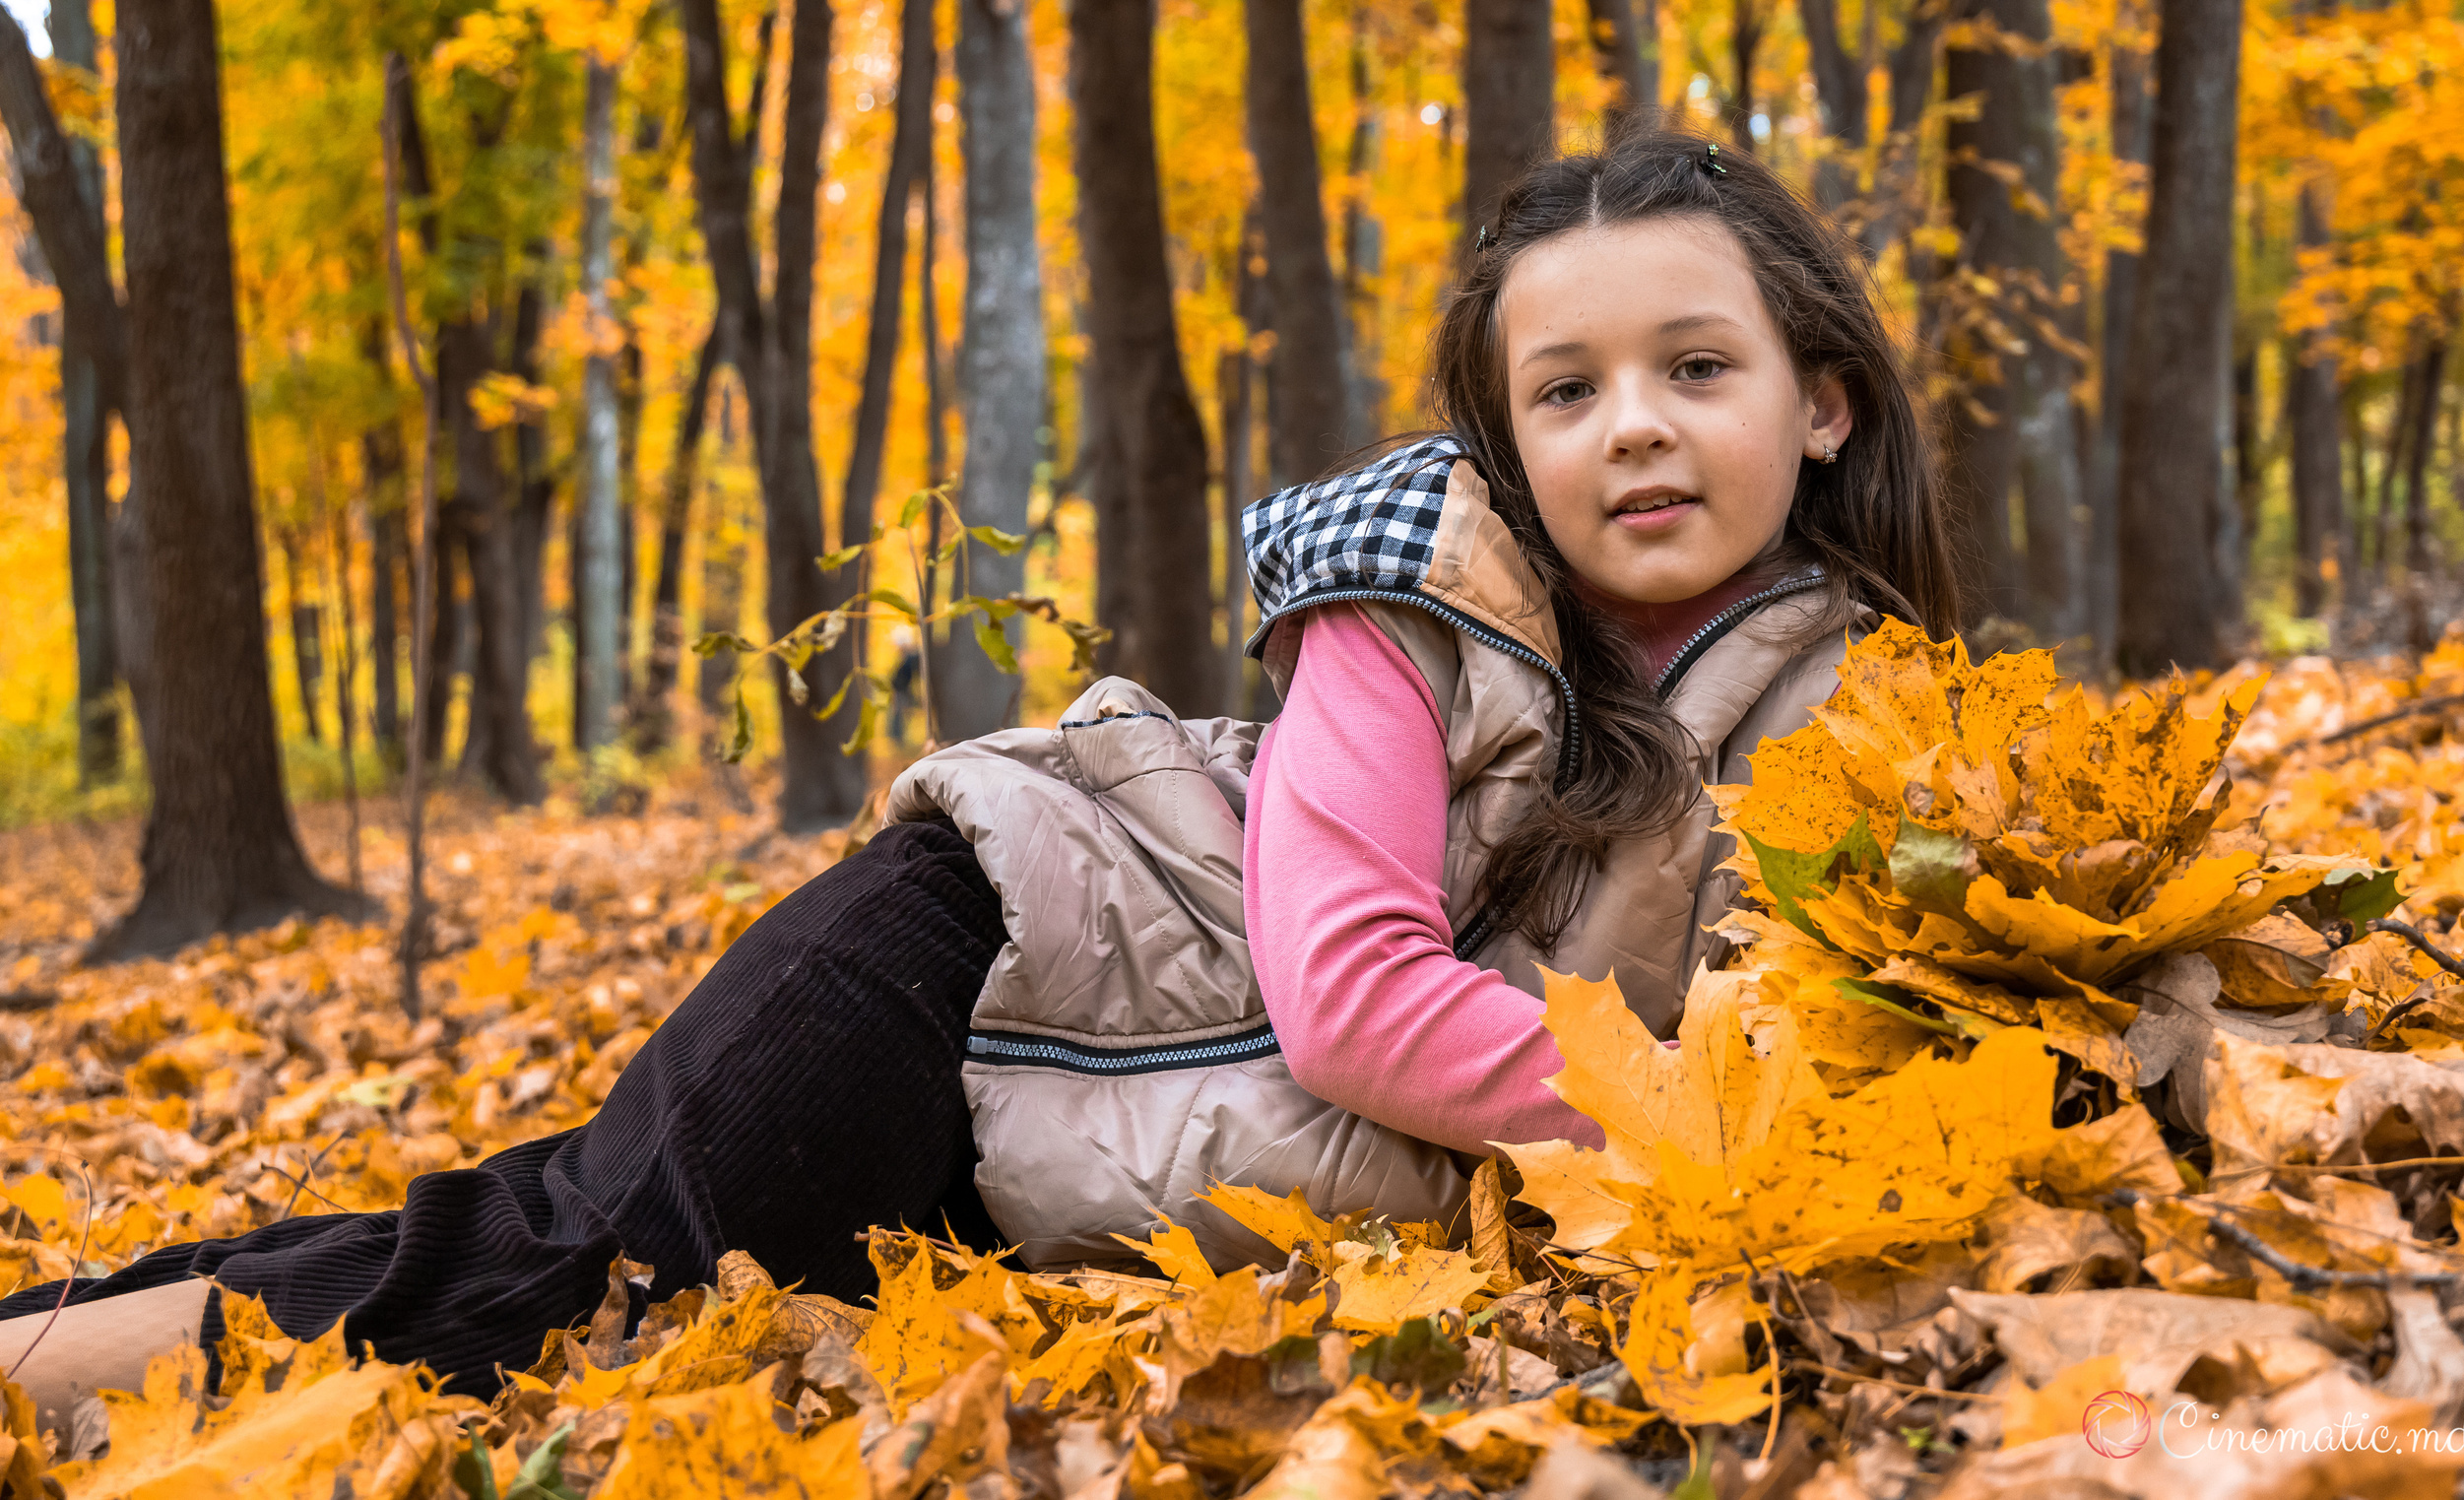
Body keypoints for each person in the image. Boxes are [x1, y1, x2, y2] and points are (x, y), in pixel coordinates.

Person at [0, 128, 1954, 1428]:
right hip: (958, 971)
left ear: (1819, 393)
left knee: (541, 1243)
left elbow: (1909, 988)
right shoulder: (1406, 609)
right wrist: (1748, 1115)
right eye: (1566, 388)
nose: (1631, 427)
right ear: (1506, 441)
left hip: (1068, 1135)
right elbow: (1357, 1003)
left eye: (1692, 367)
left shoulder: (1859, 695)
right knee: (571, 1280)